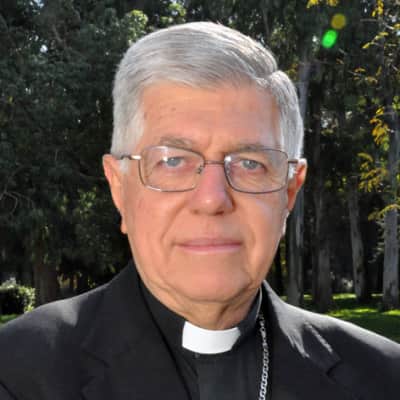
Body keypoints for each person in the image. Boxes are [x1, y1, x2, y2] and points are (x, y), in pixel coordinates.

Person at [0, 22, 399, 400]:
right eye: (172, 161)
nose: (212, 199)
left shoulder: (384, 378)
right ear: (119, 187)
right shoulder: (16, 373)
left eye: (250, 163)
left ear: (289, 191)